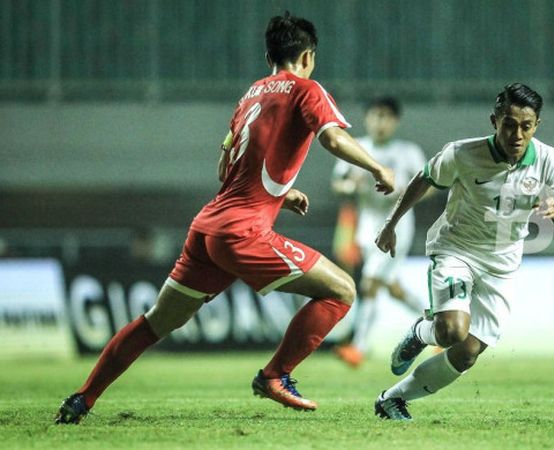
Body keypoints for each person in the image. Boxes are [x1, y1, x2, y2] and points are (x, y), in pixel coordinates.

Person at [55, 12, 395, 424]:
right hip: (241, 231)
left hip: (207, 227)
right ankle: (276, 375)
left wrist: (280, 195)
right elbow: (334, 137)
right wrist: (377, 168)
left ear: (268, 54)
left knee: (156, 322)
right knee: (341, 290)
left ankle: (82, 398)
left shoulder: (250, 96)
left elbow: (226, 168)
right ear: (307, 56)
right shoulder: (307, 89)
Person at [372, 83, 554, 420]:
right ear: (494, 121)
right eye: (509, 124)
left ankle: (392, 400)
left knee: (466, 353)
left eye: (526, 126)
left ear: (536, 125)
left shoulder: (548, 160)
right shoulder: (463, 154)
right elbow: (423, 179)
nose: (516, 133)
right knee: (451, 331)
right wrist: (390, 224)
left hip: (503, 264)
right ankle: (420, 333)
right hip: (456, 250)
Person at [331, 97, 426, 367]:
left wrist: (404, 193)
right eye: (375, 116)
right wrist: (350, 186)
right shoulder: (357, 147)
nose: (379, 122)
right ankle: (437, 323)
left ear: (395, 121)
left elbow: (429, 185)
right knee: (391, 287)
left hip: (397, 227)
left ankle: (358, 347)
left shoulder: (408, 151)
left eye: (385, 116)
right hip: (367, 227)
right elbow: (338, 183)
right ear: (366, 119)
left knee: (370, 283)